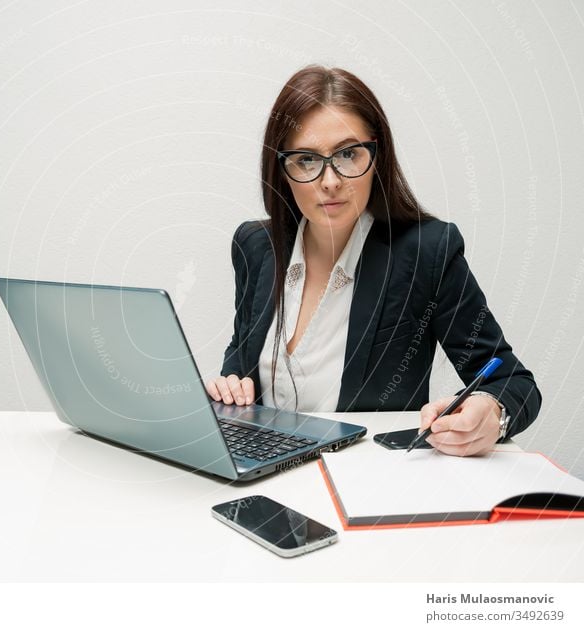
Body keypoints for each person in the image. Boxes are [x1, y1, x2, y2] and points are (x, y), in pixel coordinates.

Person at [205, 65, 541, 457]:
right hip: (261, 480)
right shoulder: (256, 246)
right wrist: (230, 387)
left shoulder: (425, 253)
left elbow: (512, 381)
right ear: (283, 171)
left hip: (366, 486)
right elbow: (240, 358)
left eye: (348, 154)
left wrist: (493, 412)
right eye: (307, 160)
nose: (330, 181)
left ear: (376, 156)